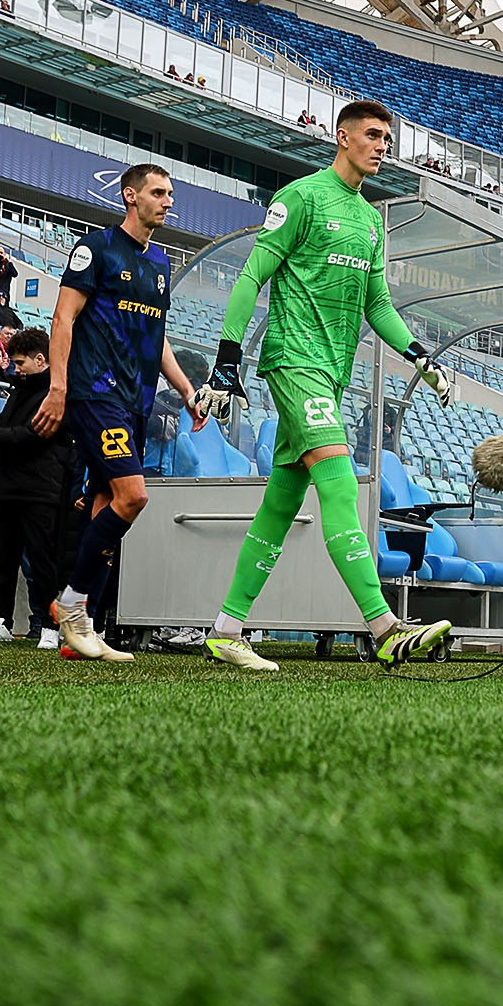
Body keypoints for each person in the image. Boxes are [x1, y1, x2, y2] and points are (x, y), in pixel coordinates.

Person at [193, 102, 457, 671]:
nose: (383, 145)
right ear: (342, 138)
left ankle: (225, 628)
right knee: (340, 486)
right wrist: (226, 359)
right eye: (372, 135)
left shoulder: (370, 220)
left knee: (279, 507)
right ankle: (385, 626)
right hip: (294, 363)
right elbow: (251, 275)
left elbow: (379, 306)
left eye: (388, 137)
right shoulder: (301, 197)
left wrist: (420, 358)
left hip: (332, 377)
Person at [34, 162, 205, 663]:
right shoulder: (96, 248)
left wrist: (188, 391)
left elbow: (160, 337)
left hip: (136, 401)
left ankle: (83, 631)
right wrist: (59, 387)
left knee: (107, 504)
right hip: (95, 393)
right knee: (134, 497)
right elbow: (63, 317)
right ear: (131, 196)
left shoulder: (162, 264)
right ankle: (71, 606)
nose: (168, 201)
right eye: (158, 192)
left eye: (170, 193)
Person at [0, 328, 81, 642]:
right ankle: (0, 621)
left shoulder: (56, 395)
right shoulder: (19, 391)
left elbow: (28, 436)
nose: (15, 368)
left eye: (20, 362)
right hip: (8, 488)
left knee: (43, 563)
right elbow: (4, 428)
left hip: (41, 490)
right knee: (2, 560)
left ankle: (51, 627)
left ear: (41, 359)